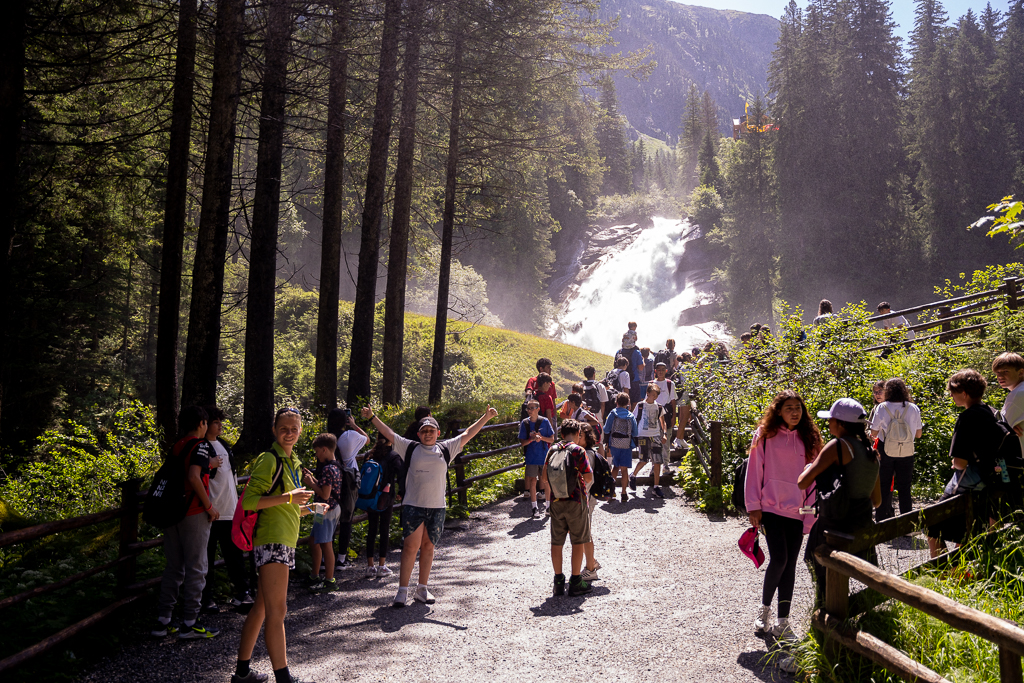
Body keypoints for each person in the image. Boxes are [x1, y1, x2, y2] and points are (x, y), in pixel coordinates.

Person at [360, 405, 498, 607]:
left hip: (436, 507)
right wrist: (372, 417)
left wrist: (485, 417)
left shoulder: (446, 448)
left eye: (431, 431)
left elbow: (469, 433)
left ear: (438, 433)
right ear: (418, 433)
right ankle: (402, 590)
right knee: (410, 547)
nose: (427, 434)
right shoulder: (410, 447)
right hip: (413, 505)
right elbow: (389, 433)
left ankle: (422, 588)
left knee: (428, 547)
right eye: (424, 431)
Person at [233, 406, 322, 683]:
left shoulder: (292, 461)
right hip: (271, 541)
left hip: (283, 540)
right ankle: (284, 678)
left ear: (301, 431)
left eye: (294, 429)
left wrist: (310, 508)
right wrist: (289, 498)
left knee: (261, 606)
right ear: (274, 430)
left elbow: (287, 504)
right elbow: (249, 501)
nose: (289, 433)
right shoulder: (269, 459)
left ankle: (242, 673)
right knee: (277, 610)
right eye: (284, 428)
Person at [745, 391, 822, 642]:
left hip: (798, 512)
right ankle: (764, 610)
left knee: (790, 565)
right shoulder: (765, 436)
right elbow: (755, 471)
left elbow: (814, 480)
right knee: (779, 559)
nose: (795, 412)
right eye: (789, 408)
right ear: (778, 411)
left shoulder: (808, 439)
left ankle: (782, 622)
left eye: (798, 408)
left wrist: (810, 513)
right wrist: (753, 505)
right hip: (771, 508)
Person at [798, 399, 881, 607]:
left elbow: (802, 482)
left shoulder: (837, 446)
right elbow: (877, 501)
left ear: (841, 424)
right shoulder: (871, 452)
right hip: (861, 524)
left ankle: (827, 615)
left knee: (820, 568)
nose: (828, 424)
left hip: (835, 524)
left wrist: (811, 467)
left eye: (831, 420)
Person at [152, 405, 221, 640]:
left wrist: (208, 465)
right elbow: (193, 476)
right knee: (197, 567)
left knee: (174, 567)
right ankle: (190, 622)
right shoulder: (201, 445)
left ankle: (163, 621)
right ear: (202, 423)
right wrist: (209, 507)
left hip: (171, 512)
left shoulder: (178, 445)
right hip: (193, 512)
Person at [927, 370, 1004, 558]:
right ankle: (962, 575)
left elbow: (960, 463)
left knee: (931, 524)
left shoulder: (966, 417)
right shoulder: (993, 412)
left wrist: (956, 463)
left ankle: (943, 574)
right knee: (970, 533)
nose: (951, 396)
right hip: (992, 482)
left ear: (964, 393)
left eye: (953, 392)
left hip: (969, 483)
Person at [201, 406, 252, 613]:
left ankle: (242, 594)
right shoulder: (201, 447)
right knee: (207, 559)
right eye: (215, 422)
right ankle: (206, 599)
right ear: (204, 425)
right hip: (210, 513)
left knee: (235, 556)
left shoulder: (223, 445)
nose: (220, 425)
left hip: (230, 511)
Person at [540, 419, 594, 597]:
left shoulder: (552, 450)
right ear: (579, 434)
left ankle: (558, 581)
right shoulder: (578, 451)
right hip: (575, 501)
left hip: (556, 501)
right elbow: (588, 476)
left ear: (561, 434)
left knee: (557, 542)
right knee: (577, 540)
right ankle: (576, 581)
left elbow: (544, 479)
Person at [870, 378, 923, 521]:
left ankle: (881, 522)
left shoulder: (882, 407)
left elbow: (873, 433)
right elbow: (918, 435)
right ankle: (907, 524)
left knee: (884, 486)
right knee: (905, 488)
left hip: (885, 450)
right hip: (906, 451)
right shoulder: (913, 408)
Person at [327, 408, 368, 568]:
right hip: (348, 483)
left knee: (326, 519)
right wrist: (354, 425)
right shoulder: (349, 436)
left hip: (329, 483)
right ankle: (341, 559)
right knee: (346, 520)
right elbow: (367, 439)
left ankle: (324, 559)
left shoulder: (326, 439)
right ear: (345, 420)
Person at [302, 433, 342, 592]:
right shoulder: (335, 465)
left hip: (327, 509)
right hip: (323, 508)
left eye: (317, 451)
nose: (316, 454)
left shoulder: (327, 469)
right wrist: (313, 479)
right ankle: (315, 575)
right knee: (314, 540)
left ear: (324, 449)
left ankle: (330, 580)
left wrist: (311, 483)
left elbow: (325, 494)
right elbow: (326, 488)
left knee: (326, 544)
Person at [364, 433, 404, 578]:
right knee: (384, 528)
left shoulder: (369, 454)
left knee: (372, 529)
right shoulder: (393, 455)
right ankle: (382, 566)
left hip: (370, 497)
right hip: (386, 496)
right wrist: (401, 492)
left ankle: (370, 567)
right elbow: (401, 474)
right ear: (389, 440)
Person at [629, 383, 668, 498]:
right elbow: (634, 419)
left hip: (655, 435)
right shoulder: (640, 406)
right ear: (648, 393)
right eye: (653, 394)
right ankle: (633, 475)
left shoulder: (659, 407)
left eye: (656, 395)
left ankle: (656, 487)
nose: (655, 397)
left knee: (657, 461)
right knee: (644, 459)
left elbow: (663, 422)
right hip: (643, 435)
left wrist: (664, 434)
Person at [519, 399, 555, 518]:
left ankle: (548, 506)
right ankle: (534, 508)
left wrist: (541, 438)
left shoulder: (544, 421)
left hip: (544, 456)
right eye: (528, 408)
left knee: (546, 481)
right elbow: (522, 443)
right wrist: (531, 439)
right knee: (533, 481)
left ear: (538, 409)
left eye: (532, 408)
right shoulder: (525, 423)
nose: (529, 411)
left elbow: (552, 439)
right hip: (531, 457)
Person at [604, 392, 638, 503]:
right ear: (628, 403)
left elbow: (606, 429)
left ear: (616, 402)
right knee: (624, 470)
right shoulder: (630, 415)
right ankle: (624, 493)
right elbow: (635, 432)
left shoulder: (612, 413)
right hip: (626, 445)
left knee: (615, 467)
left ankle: (612, 491)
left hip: (614, 444)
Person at [579, 423, 602, 583]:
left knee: (584, 534)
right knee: (582, 533)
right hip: (585, 498)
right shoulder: (584, 453)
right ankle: (591, 562)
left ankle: (591, 568)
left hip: (585, 498)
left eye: (579, 435)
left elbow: (588, 480)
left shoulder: (587, 454)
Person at [994, 352, 1024, 448]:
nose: (1000, 376)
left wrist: (1007, 428)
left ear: (1021, 372)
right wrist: (1009, 427)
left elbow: (998, 430)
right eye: (998, 372)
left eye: (1005, 371)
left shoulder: (1017, 394)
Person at [652, 362, 677, 449]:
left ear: (666, 371)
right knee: (654, 441)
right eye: (658, 370)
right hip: (654, 414)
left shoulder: (670, 384)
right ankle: (655, 461)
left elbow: (673, 401)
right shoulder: (651, 384)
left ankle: (665, 462)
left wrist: (674, 416)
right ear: (655, 371)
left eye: (663, 370)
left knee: (666, 441)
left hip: (666, 413)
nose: (661, 372)